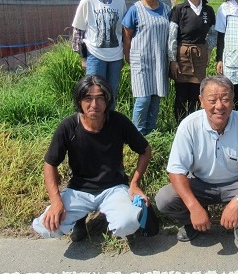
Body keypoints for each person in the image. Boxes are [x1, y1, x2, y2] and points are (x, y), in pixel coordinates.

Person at [32, 75, 157, 242]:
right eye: (88, 98)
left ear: (107, 101)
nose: (94, 105)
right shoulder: (68, 127)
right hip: (79, 190)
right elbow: (50, 164)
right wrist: (56, 201)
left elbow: (145, 150)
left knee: (126, 224)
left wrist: (134, 183)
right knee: (46, 228)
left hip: (114, 188)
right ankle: (79, 218)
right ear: (79, 101)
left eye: (100, 98)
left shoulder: (118, 122)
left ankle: (112, 214)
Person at [155, 75, 238, 245]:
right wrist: (193, 207)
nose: (219, 106)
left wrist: (236, 203)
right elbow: (176, 171)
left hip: (237, 183)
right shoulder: (188, 126)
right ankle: (192, 221)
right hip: (199, 183)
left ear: (233, 100)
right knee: (165, 198)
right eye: (212, 100)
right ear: (201, 101)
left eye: (225, 99)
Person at [71, 0, 126, 110]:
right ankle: (90, 123)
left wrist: (125, 53)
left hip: (115, 56)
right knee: (92, 91)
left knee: (112, 92)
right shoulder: (87, 1)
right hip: (95, 55)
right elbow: (78, 31)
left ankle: (109, 123)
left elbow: (123, 31)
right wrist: (83, 58)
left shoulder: (119, 2)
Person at [122, 0, 171, 135]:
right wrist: (127, 55)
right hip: (141, 60)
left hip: (159, 60)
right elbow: (127, 35)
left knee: (156, 97)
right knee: (143, 99)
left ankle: (150, 131)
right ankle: (136, 133)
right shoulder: (135, 10)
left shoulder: (166, 9)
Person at [169, 0, 217, 123]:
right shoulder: (179, 9)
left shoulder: (208, 10)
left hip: (199, 55)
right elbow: (172, 36)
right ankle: (180, 125)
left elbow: (213, 33)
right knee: (181, 93)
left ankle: (195, 124)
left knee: (197, 93)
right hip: (181, 55)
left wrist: (208, 50)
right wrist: (173, 60)